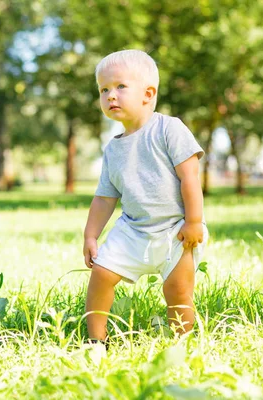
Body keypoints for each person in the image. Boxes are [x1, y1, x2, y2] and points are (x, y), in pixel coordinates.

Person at [83, 49, 208, 341]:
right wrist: (91, 236)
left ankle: (181, 342)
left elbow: (189, 177)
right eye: (104, 89)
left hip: (175, 230)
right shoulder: (113, 149)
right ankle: (95, 341)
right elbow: (104, 198)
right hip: (133, 228)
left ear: (148, 94)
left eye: (120, 86)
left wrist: (193, 222)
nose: (110, 95)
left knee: (177, 289)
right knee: (101, 275)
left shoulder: (169, 129)